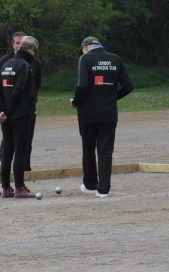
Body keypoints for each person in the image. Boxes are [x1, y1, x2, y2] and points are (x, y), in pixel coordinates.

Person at [71, 36, 133, 198]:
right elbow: (128, 86)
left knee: (88, 148)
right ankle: (103, 189)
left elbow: (82, 85)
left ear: (85, 47)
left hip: (87, 113)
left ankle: (90, 184)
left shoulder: (85, 59)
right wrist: (113, 97)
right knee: (105, 151)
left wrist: (76, 102)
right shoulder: (115, 59)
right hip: (108, 112)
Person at [0, 36, 40, 198]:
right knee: (20, 151)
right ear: (31, 50)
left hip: (5, 117)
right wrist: (9, 110)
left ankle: (6, 188)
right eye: (34, 52)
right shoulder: (25, 66)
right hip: (21, 115)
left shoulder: (5, 64)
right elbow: (19, 90)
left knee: (7, 150)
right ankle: (20, 187)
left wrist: (1, 112)